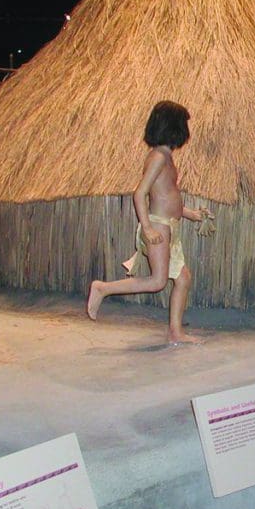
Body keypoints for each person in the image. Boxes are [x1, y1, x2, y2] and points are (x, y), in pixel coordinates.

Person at [87, 100, 212, 344]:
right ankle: (103, 288)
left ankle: (175, 332)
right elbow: (140, 193)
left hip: (168, 226)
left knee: (183, 277)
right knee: (157, 281)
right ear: (174, 127)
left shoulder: (166, 157)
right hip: (157, 226)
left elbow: (166, 196)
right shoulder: (157, 158)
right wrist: (147, 228)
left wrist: (190, 213)